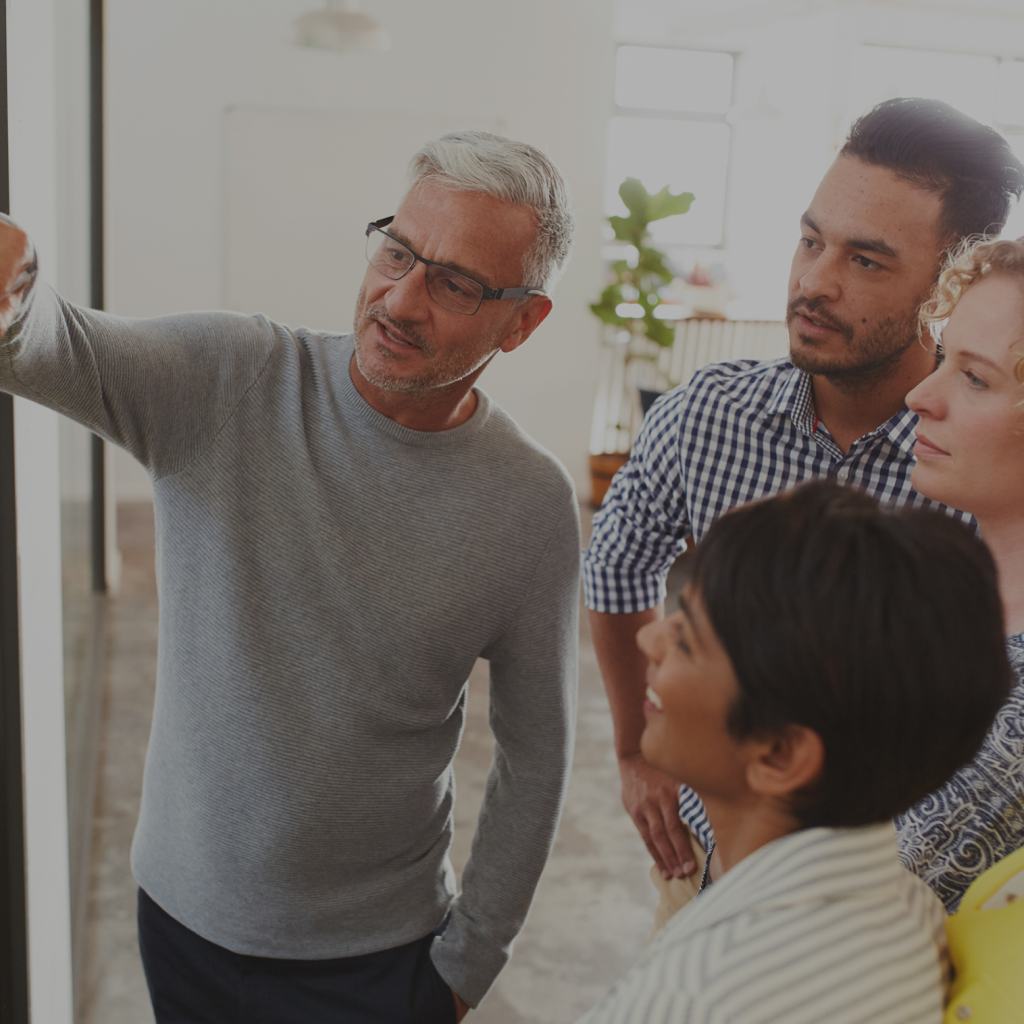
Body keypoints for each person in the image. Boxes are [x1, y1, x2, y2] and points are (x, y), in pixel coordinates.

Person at [0, 131, 581, 1022]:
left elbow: (538, 752)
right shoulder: (231, 379)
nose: (401, 298)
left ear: (523, 320)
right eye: (397, 251)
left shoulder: (530, 505)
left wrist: (467, 964)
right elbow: (51, 344)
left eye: (455, 282)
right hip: (183, 922)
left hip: (381, 962)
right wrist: (15, 291)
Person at [583, 97, 1024, 893]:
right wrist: (632, 749)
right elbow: (614, 569)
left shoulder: (986, 479)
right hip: (712, 857)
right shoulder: (708, 416)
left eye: (865, 260)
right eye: (811, 241)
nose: (813, 282)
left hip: (889, 912)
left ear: (946, 281)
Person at [577, 481, 1013, 1024]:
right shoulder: (905, 907)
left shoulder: (694, 997)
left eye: (686, 639)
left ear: (780, 755)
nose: (648, 641)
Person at [897, 235, 1024, 911]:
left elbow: (870, 895)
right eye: (944, 361)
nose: (920, 395)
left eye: (974, 378)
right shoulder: (946, 581)